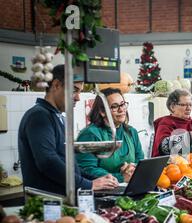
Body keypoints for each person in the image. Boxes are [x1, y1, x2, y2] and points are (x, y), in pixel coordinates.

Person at [18, 65, 118, 195]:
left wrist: (95, 179)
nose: (78, 97)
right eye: (74, 90)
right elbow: (48, 162)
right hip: (47, 204)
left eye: (80, 92)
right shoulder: (39, 116)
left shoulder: (57, 117)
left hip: (63, 200)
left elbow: (69, 166)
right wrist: (89, 185)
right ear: (56, 85)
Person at [76, 88, 144, 183]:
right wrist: (121, 177)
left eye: (123, 104)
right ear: (102, 112)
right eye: (114, 106)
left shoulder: (132, 132)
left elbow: (140, 161)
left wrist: (131, 169)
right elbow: (87, 169)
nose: (121, 110)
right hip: (102, 191)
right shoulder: (90, 134)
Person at [151, 89, 192, 157]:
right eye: (184, 105)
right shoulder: (165, 123)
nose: (189, 108)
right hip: (169, 166)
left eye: (191, 105)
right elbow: (164, 147)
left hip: (191, 166)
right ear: (172, 107)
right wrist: (190, 136)